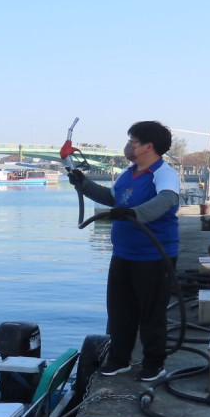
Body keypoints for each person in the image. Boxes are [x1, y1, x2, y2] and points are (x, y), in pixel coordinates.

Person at [68, 120, 180, 381]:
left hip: (154, 255)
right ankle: (119, 359)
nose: (128, 146)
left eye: (133, 141)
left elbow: (166, 200)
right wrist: (83, 184)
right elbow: (114, 199)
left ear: (148, 146)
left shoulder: (164, 173)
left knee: (152, 313)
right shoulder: (129, 173)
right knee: (120, 310)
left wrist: (134, 213)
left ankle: (154, 363)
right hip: (123, 254)